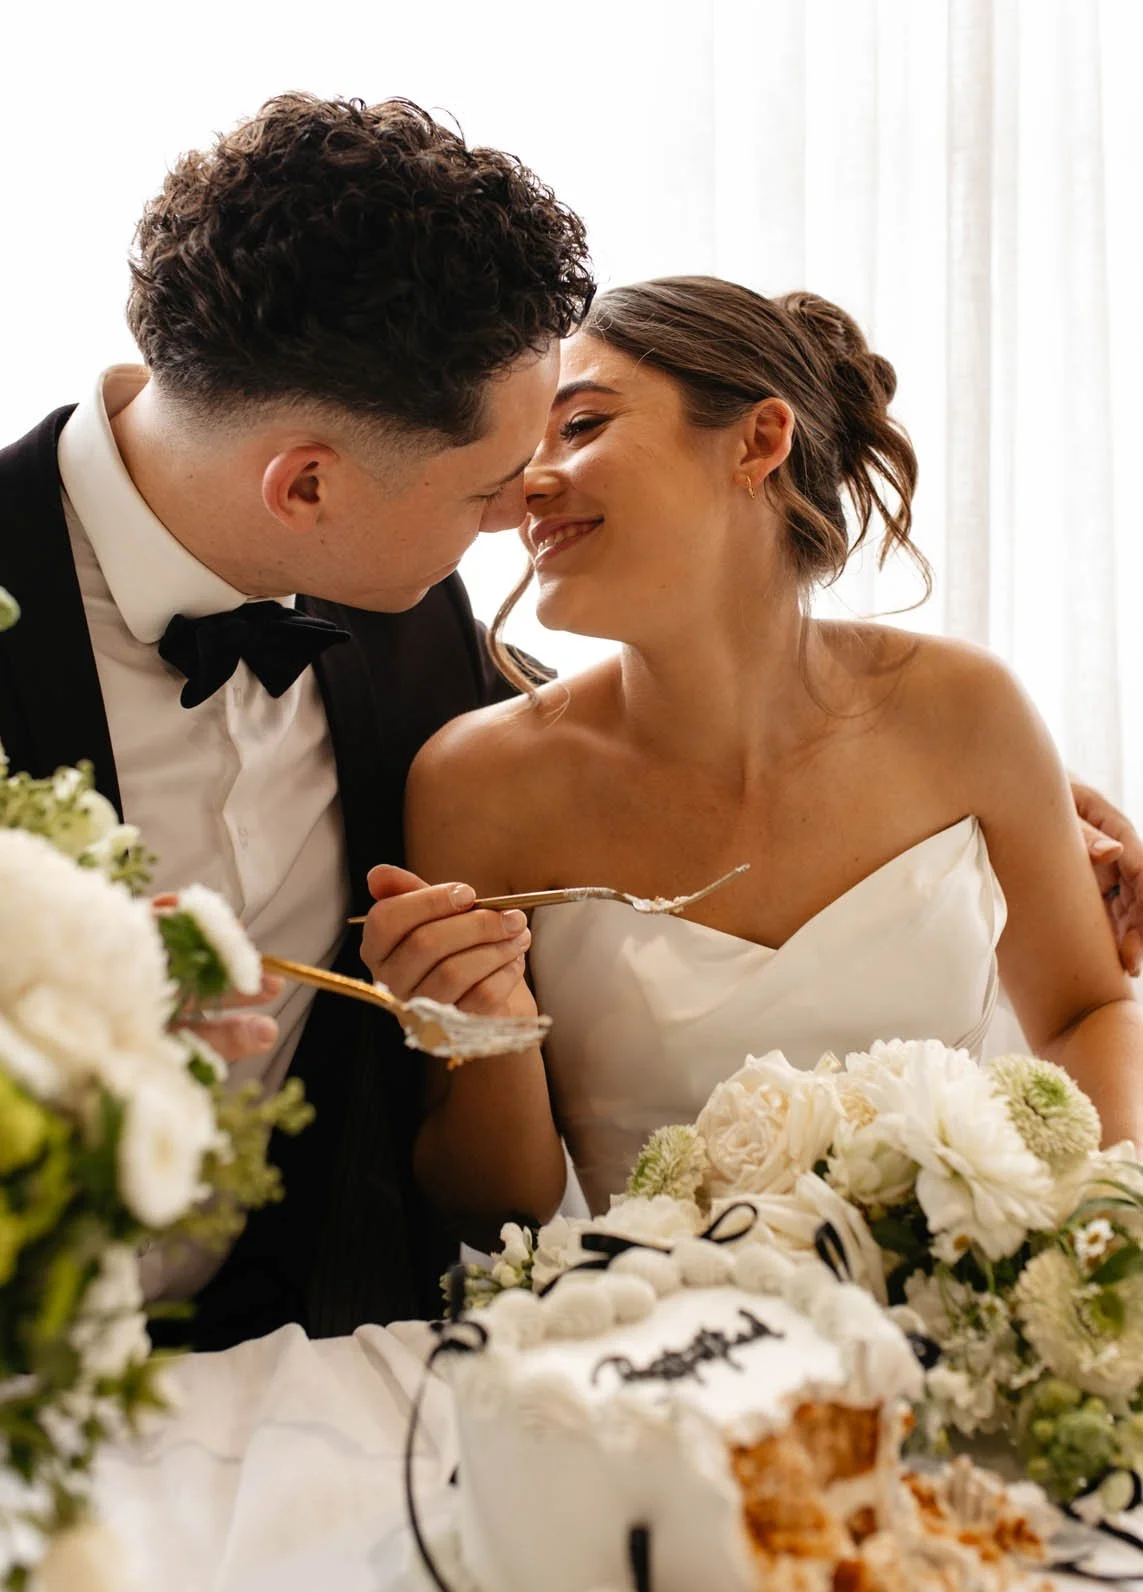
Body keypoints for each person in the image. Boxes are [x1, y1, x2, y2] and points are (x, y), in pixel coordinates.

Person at [0, 93, 594, 1347]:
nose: (515, 518)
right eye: (488, 488)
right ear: (307, 483)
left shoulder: (407, 599)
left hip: (285, 1364)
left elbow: (581, 739)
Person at [398, 276, 1143, 1229]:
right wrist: (485, 1029)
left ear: (757, 441)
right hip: (638, 1327)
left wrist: (1095, 1220)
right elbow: (492, 1202)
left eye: (579, 427)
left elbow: (1087, 1012)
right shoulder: (478, 782)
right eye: (521, 452)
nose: (527, 486)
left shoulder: (965, 709)